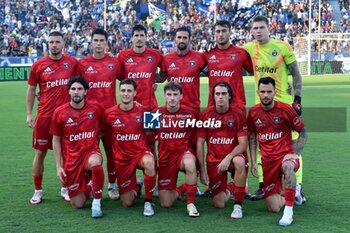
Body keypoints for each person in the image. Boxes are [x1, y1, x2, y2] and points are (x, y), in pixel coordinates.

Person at [244, 16, 305, 203]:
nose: (259, 31)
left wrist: (297, 98)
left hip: (284, 103)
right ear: (251, 30)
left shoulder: (282, 47)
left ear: (268, 28)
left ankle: (297, 189)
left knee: (292, 145)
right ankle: (264, 186)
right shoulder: (249, 48)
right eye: (255, 28)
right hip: (261, 105)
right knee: (263, 144)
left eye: (262, 27)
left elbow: (296, 73)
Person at [247, 77, 307, 226]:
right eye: (263, 92)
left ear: (275, 92)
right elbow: (252, 137)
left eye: (269, 91)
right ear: (258, 92)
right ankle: (294, 192)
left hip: (286, 155)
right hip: (268, 161)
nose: (266, 95)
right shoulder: (253, 113)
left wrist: (296, 153)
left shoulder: (286, 109)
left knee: (288, 167)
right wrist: (254, 162)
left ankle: (289, 212)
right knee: (273, 207)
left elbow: (303, 132)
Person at [26, 31, 78, 204]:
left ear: (64, 43)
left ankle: (64, 188)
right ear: (47, 44)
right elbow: (32, 90)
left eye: (57, 41)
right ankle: (38, 190)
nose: (54, 45)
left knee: (65, 153)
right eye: (51, 42)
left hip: (65, 117)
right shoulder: (38, 65)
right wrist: (29, 114)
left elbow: (80, 86)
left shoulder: (72, 63)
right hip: (45, 116)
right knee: (40, 153)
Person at [51, 76, 105, 218]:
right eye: (73, 89)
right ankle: (89, 184)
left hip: (90, 153)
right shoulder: (60, 113)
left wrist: (94, 141)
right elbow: (56, 139)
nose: (76, 92)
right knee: (78, 204)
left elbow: (105, 127)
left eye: (80, 89)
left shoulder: (95, 109)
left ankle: (97, 203)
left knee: (95, 162)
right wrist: (58, 165)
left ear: (86, 91)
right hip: (72, 160)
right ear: (68, 92)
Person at [77, 28, 122, 201]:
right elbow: (74, 87)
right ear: (91, 42)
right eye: (95, 40)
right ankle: (89, 185)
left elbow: (127, 81)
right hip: (89, 118)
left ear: (106, 43)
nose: (98, 43)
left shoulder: (114, 62)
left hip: (110, 117)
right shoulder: (82, 64)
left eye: (102, 41)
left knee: (111, 153)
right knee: (88, 154)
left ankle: (111, 186)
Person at [102, 79, 157, 216]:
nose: (125, 94)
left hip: (140, 153)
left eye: (129, 91)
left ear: (135, 93)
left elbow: (153, 138)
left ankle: (148, 202)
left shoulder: (146, 111)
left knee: (149, 162)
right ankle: (137, 186)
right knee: (127, 203)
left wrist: (154, 157)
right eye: (123, 91)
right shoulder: (109, 113)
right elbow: (100, 133)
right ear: (119, 93)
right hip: (122, 159)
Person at [197, 82, 249, 219]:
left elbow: (243, 144)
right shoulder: (205, 115)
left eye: (224, 94)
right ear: (213, 97)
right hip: (214, 160)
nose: (220, 97)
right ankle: (233, 186)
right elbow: (200, 142)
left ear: (230, 96)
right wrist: (202, 170)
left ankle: (238, 205)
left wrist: (229, 156)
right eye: (217, 94)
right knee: (218, 203)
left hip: (232, 157)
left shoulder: (238, 114)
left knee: (239, 161)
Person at [157, 81, 200, 217]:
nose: (172, 98)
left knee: (190, 164)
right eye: (169, 94)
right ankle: (183, 188)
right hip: (165, 158)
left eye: (175, 94)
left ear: (181, 96)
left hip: (183, 154)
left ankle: (191, 203)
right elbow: (150, 140)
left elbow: (196, 141)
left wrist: (198, 165)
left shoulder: (191, 114)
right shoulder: (156, 114)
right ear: (164, 95)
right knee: (166, 203)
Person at [202, 20, 253, 111]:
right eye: (218, 31)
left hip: (236, 105)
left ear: (230, 32)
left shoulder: (240, 53)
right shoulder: (207, 54)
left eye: (224, 31)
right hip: (214, 106)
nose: (221, 34)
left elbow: (254, 70)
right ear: (214, 34)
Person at [158, 27, 206, 112]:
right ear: (175, 39)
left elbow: (213, 75)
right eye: (179, 37)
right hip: (172, 108)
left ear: (189, 40)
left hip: (193, 108)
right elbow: (161, 79)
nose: (182, 40)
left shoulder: (199, 57)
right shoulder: (167, 59)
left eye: (185, 38)